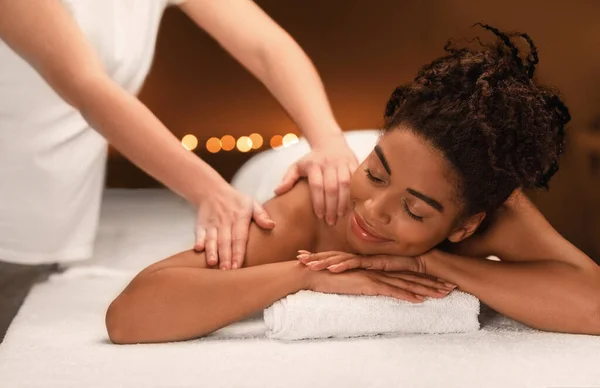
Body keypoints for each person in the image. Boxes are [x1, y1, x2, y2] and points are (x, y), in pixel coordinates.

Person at [105, 25, 600, 344]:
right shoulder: (319, 205)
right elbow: (129, 317)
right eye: (377, 173)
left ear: (467, 225)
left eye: (416, 212)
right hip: (287, 162)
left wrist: (429, 261)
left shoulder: (490, 206)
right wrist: (307, 276)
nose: (373, 211)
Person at [0, 0, 357, 270]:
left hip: (60, 226)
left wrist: (327, 139)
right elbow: (88, 87)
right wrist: (210, 193)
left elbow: (266, 48)